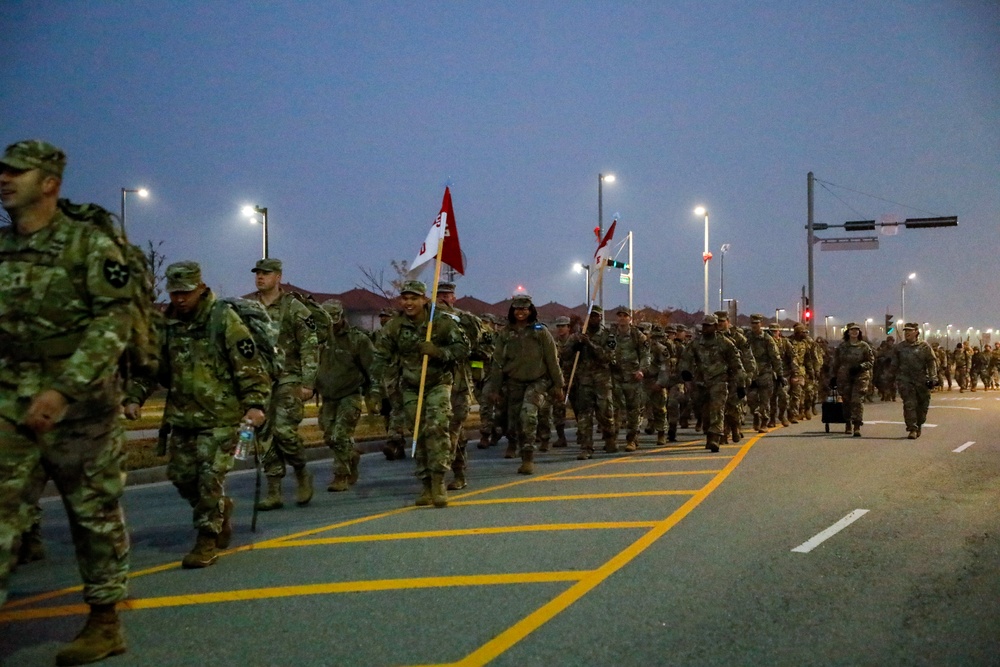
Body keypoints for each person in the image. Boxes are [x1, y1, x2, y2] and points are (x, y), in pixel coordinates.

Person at [0, 140, 132, 664]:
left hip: (84, 412)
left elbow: (113, 323)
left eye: (17, 172)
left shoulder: (88, 246)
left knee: (93, 516)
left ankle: (104, 621)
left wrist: (63, 389)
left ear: (49, 181)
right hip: (10, 405)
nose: (5, 179)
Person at [125, 262, 271, 569]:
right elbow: (152, 366)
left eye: (186, 293)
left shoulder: (223, 320)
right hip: (181, 417)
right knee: (180, 477)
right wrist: (135, 396)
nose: (180, 299)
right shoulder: (167, 324)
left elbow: (249, 365)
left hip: (220, 419)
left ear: (201, 288)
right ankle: (219, 509)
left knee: (208, 480)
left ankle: (207, 539)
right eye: (175, 293)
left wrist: (255, 405)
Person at [371, 280, 469, 507]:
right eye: (405, 298)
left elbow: (463, 349)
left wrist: (438, 352)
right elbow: (380, 358)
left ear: (424, 299)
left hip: (438, 384)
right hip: (411, 387)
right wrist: (375, 391)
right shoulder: (395, 326)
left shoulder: (442, 322)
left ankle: (439, 482)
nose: (408, 303)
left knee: (436, 428)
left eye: (414, 298)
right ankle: (425, 484)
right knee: (419, 433)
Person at [248, 258, 320, 511]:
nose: (260, 277)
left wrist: (308, 383)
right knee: (264, 436)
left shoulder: (295, 308)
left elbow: (309, 345)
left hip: (289, 378)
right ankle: (273, 489)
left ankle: (301, 472)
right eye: (258, 273)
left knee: (284, 432)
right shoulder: (247, 307)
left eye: (265, 274)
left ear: (278, 277)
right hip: (259, 382)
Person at [484, 294, 564, 474]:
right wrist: (495, 388)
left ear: (530, 310)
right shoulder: (505, 333)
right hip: (514, 382)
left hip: (538, 381)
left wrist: (558, 384)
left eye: (524, 309)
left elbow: (552, 359)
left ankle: (528, 457)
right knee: (513, 420)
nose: (521, 312)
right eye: (517, 309)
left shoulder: (540, 331)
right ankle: (513, 443)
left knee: (528, 415)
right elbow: (497, 363)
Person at [315, 299, 374, 491]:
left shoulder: (357, 340)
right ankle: (351, 455)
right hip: (328, 396)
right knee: (329, 437)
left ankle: (341, 476)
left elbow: (373, 368)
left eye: (334, 319)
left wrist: (374, 395)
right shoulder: (318, 338)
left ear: (342, 317)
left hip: (350, 394)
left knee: (340, 435)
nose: (332, 324)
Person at [434, 281, 481, 490]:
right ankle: (455, 472)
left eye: (448, 295)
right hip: (434, 384)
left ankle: (444, 476)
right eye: (440, 295)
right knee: (448, 433)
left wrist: (478, 371)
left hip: (459, 384)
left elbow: (481, 344)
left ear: (454, 297)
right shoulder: (428, 320)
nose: (444, 299)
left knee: (452, 431)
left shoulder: (465, 319)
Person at [679, 315, 746, 452]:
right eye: (704, 325)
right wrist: (686, 376)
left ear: (715, 327)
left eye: (708, 325)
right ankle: (709, 434)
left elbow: (736, 363)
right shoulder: (696, 343)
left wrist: (741, 384)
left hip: (719, 380)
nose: (705, 328)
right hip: (701, 381)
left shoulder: (725, 343)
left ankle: (715, 438)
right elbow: (686, 359)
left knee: (717, 409)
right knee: (703, 411)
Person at [566, 306, 617, 459]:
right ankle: (586, 447)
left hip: (602, 381)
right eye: (591, 316)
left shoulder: (608, 336)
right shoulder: (577, 336)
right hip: (584, 381)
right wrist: (575, 347)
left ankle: (610, 439)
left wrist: (590, 345)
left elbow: (607, 357)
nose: (594, 319)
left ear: (601, 318)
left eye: (597, 316)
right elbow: (564, 355)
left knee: (605, 414)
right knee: (584, 415)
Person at [609, 307, 650, 451]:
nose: (621, 318)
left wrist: (642, 370)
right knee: (613, 409)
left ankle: (632, 439)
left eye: (625, 316)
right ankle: (612, 440)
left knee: (633, 410)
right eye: (619, 315)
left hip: (633, 378)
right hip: (616, 377)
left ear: (630, 318)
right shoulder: (611, 335)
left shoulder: (637, 335)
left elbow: (645, 355)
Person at [890, 322, 938, 439]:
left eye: (910, 331)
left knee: (922, 404)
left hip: (921, 380)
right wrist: (891, 378)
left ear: (916, 332)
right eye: (905, 331)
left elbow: (931, 363)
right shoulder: (899, 348)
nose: (907, 333)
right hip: (905, 380)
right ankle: (912, 428)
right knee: (909, 404)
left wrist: (933, 377)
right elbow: (894, 364)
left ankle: (919, 424)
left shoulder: (924, 347)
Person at [829, 323, 875, 437]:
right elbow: (836, 362)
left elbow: (871, 361)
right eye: (852, 330)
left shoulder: (864, 346)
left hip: (860, 376)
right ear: (848, 332)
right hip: (845, 376)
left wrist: (861, 366)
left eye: (857, 330)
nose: (854, 332)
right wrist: (834, 377)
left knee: (857, 400)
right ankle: (848, 422)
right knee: (846, 400)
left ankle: (857, 425)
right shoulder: (842, 347)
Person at [746, 314, 784, 433]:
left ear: (761, 324)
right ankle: (756, 415)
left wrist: (780, 374)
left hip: (765, 373)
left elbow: (775, 358)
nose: (755, 326)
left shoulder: (767, 339)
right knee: (751, 399)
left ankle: (764, 422)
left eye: (757, 323)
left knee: (765, 400)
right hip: (751, 373)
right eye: (753, 323)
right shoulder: (747, 338)